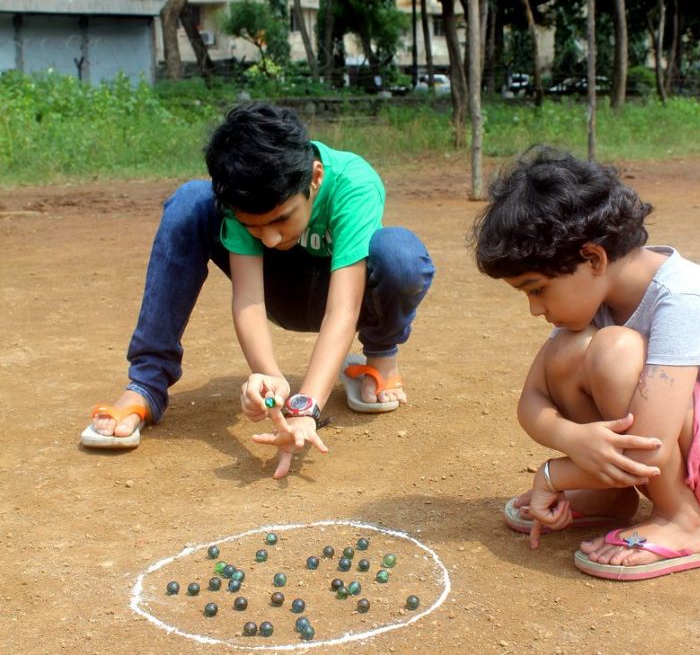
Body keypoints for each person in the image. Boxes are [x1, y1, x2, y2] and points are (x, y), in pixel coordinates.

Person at [80, 102, 435, 478]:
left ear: (315, 178)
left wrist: (305, 408)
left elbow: (343, 310)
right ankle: (147, 383)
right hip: (277, 292)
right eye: (254, 226)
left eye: (282, 218)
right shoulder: (241, 198)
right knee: (189, 202)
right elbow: (249, 299)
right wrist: (271, 379)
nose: (269, 237)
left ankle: (377, 359)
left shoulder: (353, 182)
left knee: (400, 255)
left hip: (344, 295)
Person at [472, 146, 700, 580]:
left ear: (594, 258)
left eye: (538, 289)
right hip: (660, 453)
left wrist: (555, 473)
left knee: (612, 350)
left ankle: (683, 519)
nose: (534, 309)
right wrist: (572, 437)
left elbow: (651, 441)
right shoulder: (596, 299)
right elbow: (535, 396)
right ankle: (610, 498)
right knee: (567, 350)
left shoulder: (686, 299)